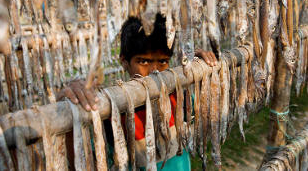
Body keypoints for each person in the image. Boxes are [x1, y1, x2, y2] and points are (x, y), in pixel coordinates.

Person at [57, 13, 217, 170]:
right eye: (144, 61)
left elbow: (209, 106)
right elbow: (85, 164)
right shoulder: (113, 111)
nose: (155, 71)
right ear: (124, 62)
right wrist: (68, 112)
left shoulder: (179, 97)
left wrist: (201, 66)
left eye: (162, 61)